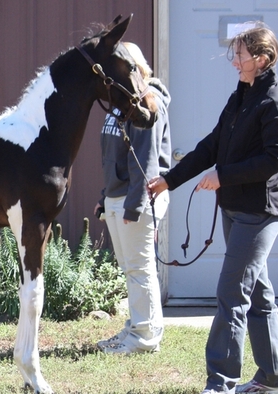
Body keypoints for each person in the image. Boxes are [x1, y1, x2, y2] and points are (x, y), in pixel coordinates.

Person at [148, 23, 278, 394]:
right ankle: (273, 377)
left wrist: (223, 176)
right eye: (234, 53)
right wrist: (169, 180)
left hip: (259, 213)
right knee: (258, 295)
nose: (235, 61)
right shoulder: (241, 98)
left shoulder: (277, 103)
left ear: (262, 59)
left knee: (232, 293)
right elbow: (210, 146)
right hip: (235, 208)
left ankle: (221, 384)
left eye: (241, 55)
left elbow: (275, 160)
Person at [95, 42, 172, 355]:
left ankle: (145, 337)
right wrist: (105, 195)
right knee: (131, 268)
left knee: (140, 268)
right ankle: (137, 327)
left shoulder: (147, 102)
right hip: (118, 194)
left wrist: (136, 205)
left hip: (136, 197)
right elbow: (113, 154)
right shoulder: (121, 102)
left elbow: (146, 160)